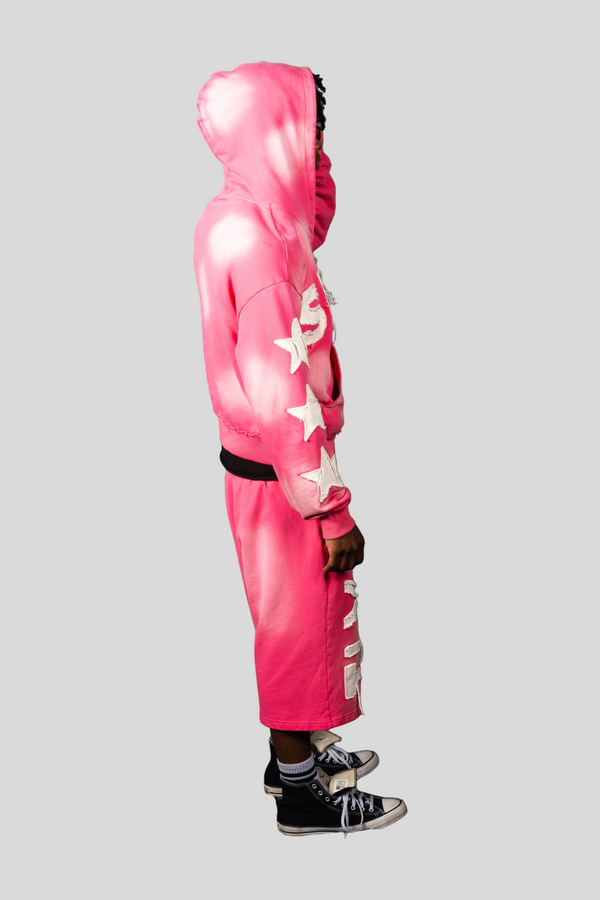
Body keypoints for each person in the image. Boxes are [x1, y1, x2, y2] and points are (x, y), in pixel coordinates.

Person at [194, 61, 407, 836]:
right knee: (295, 629)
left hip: (271, 462)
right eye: (306, 125)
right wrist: (330, 509)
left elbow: (310, 220)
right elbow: (280, 389)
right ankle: (300, 795)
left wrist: (313, 158)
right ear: (270, 130)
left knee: (301, 622)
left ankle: (294, 756)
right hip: (286, 470)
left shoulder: (242, 212)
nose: (316, 139)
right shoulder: (255, 242)